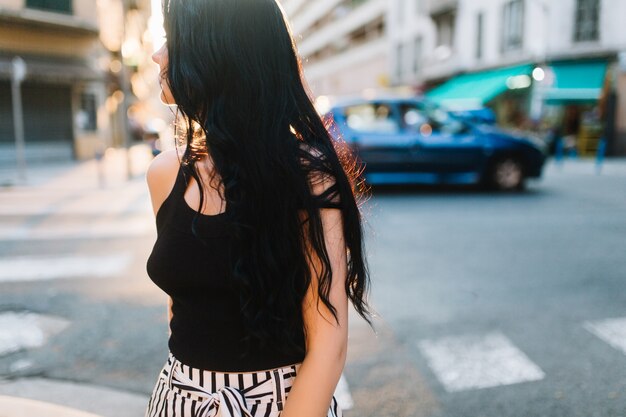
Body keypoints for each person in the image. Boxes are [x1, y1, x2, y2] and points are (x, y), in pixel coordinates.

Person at [144, 1, 371, 416]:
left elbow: (328, 345)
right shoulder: (165, 173)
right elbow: (182, 303)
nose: (157, 54)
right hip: (179, 399)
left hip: (284, 402)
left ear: (217, 52)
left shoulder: (308, 177)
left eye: (171, 39)